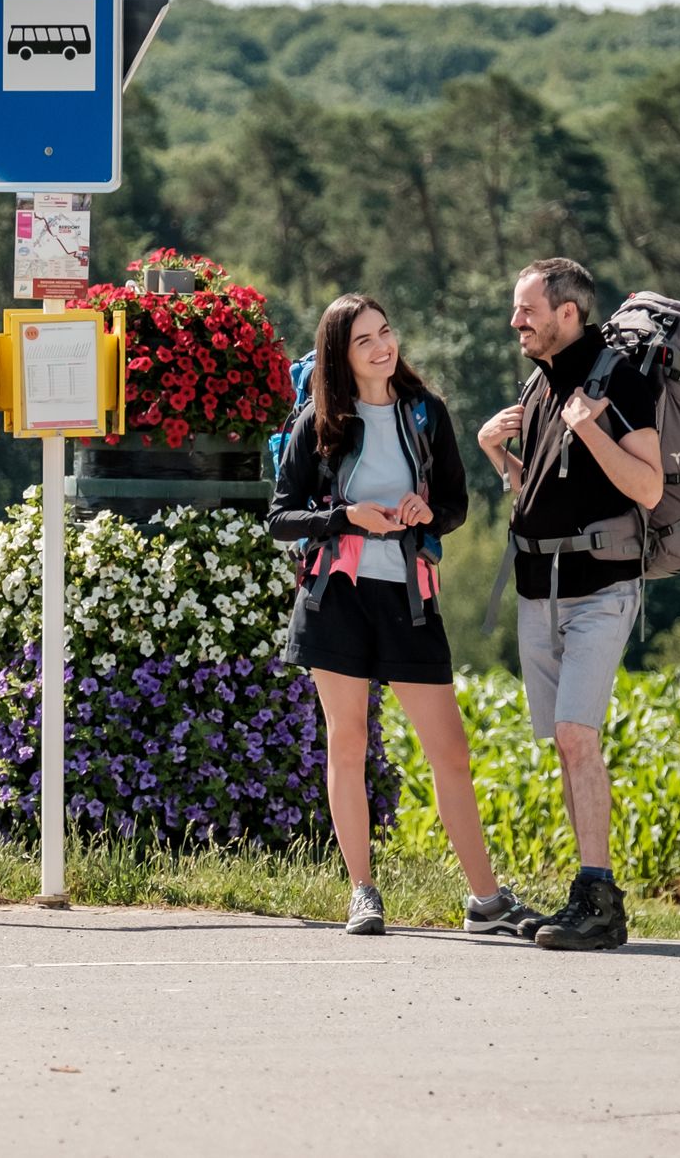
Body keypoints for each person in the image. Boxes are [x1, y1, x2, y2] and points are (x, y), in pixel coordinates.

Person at [269, 293, 546, 939]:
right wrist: (346, 517)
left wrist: (427, 513)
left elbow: (454, 504)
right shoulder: (319, 422)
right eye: (364, 339)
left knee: (450, 749)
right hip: (334, 599)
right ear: (341, 353)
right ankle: (362, 891)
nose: (381, 346)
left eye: (385, 332)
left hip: (410, 601)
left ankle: (485, 899)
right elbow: (281, 518)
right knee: (348, 744)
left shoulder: (426, 413)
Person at [475, 257, 664, 952]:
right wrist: (499, 455)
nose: (516, 320)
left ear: (568, 312)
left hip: (602, 589)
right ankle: (586, 892)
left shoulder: (623, 381)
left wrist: (590, 427)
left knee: (579, 735)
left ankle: (600, 898)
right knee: (563, 740)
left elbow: (646, 488)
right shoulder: (540, 381)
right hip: (538, 588)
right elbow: (544, 493)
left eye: (527, 309)